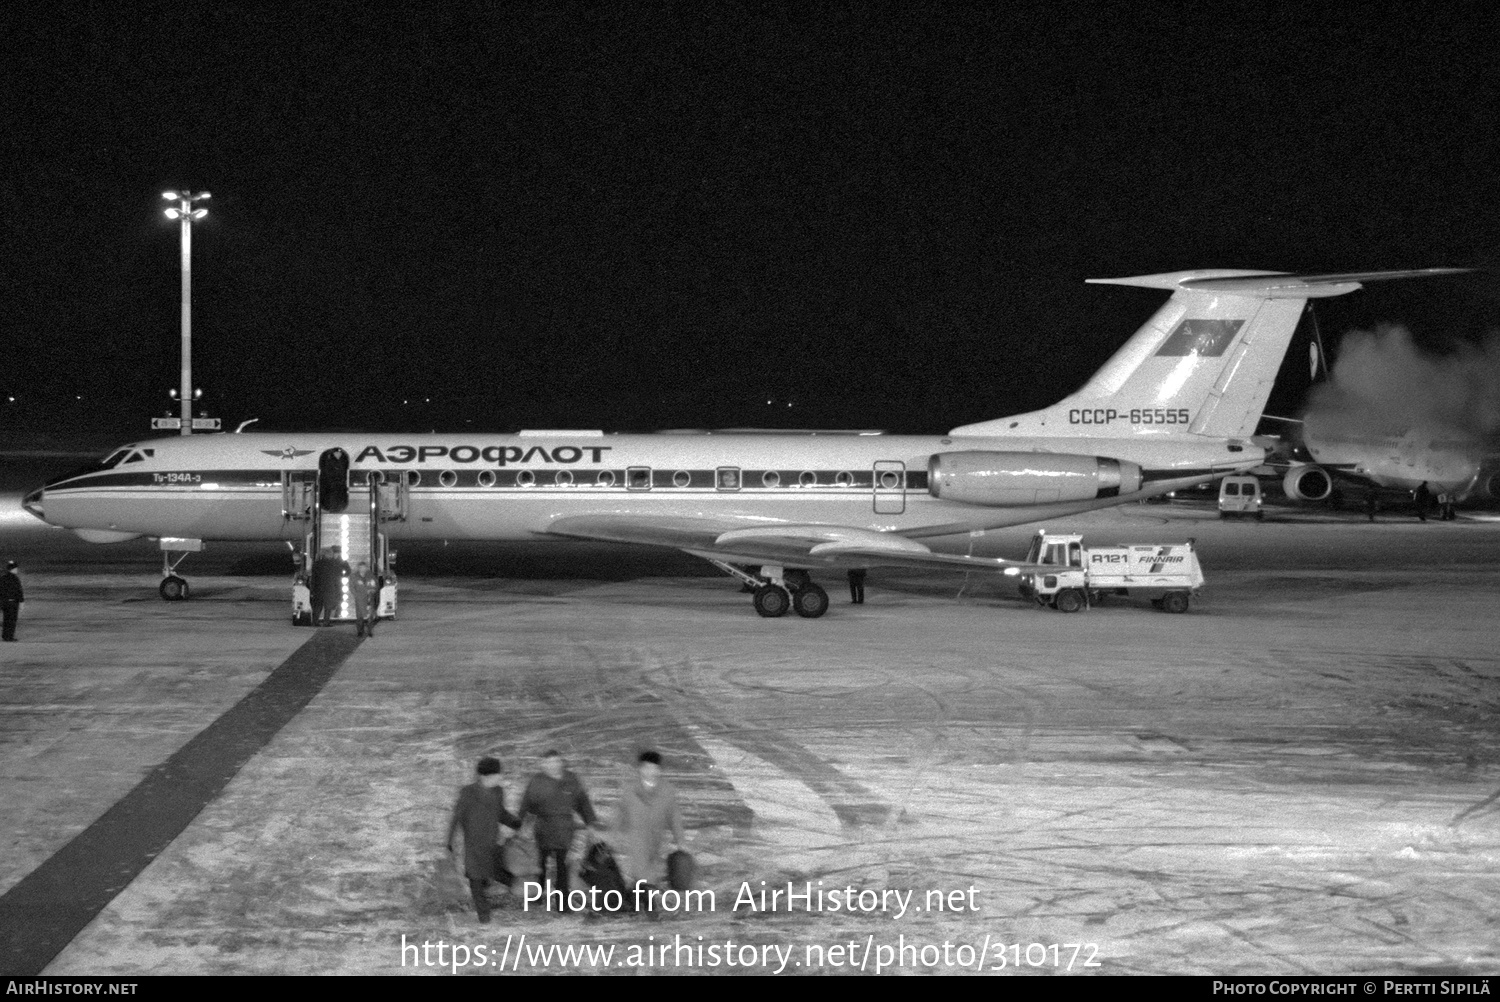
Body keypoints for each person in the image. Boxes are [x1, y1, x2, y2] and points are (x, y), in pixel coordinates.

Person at [519, 750, 599, 909]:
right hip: (544, 828)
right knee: (541, 863)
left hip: (564, 829)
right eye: (548, 762)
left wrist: (591, 824)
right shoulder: (537, 781)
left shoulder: (571, 779)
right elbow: (526, 805)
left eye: (556, 761)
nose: (553, 765)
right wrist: (520, 825)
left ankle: (563, 903)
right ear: (542, 764)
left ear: (561, 762)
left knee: (563, 865)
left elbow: (583, 803)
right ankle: (538, 895)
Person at [447, 756, 521, 923]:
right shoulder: (468, 793)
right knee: (476, 881)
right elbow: (456, 818)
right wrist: (449, 841)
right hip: (474, 846)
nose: (501, 777)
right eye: (498, 774)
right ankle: (484, 918)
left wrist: (513, 822)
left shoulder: (498, 791)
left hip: (493, 843)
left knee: (499, 874)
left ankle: (504, 896)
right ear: (485, 776)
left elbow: (499, 812)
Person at [613, 750, 685, 890]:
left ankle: (637, 900)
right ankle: (648, 905)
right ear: (640, 769)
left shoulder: (667, 790)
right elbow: (620, 812)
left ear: (659, 770)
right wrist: (612, 836)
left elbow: (674, 816)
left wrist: (680, 839)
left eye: (654, 768)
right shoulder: (630, 789)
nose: (650, 771)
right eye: (647, 767)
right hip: (637, 836)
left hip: (657, 837)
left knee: (650, 870)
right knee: (643, 872)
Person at [311, 546, 351, 626]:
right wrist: (342, 576)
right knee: (328, 607)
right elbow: (347, 570)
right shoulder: (335, 563)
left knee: (318, 606)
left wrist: (313, 589)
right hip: (330, 588)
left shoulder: (316, 563)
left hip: (318, 588)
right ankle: (326, 622)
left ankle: (315, 622)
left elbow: (314, 577)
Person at [351, 560, 377, 636]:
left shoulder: (370, 576)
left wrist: (373, 590)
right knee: (359, 616)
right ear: (358, 568)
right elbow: (351, 587)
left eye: (364, 567)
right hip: (360, 599)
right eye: (361, 567)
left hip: (369, 598)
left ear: (366, 568)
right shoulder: (354, 576)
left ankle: (369, 631)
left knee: (370, 615)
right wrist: (356, 595)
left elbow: (375, 584)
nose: (362, 569)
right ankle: (360, 631)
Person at [1, 561, 22, 641]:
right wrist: (21, 601)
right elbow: (19, 591)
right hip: (13, 602)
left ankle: (5, 635)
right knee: (12, 620)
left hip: (4, 602)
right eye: (16, 568)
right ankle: (9, 637)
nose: (17, 570)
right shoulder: (15, 579)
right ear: (13, 569)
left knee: (6, 619)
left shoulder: (3, 578)